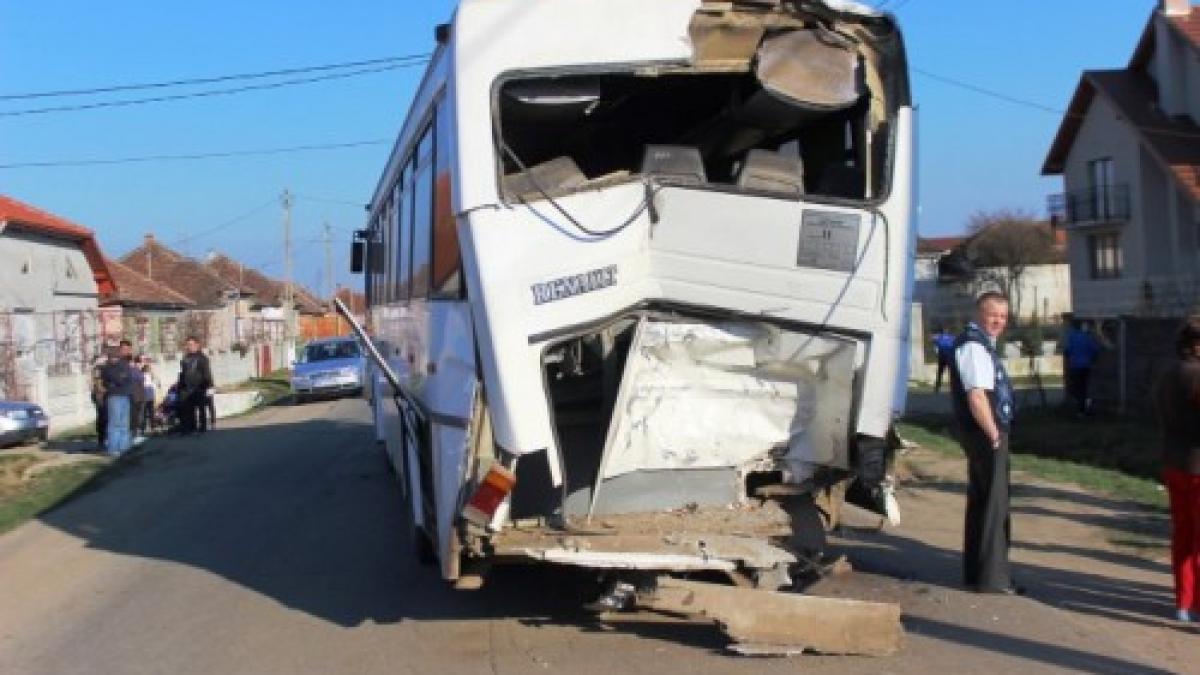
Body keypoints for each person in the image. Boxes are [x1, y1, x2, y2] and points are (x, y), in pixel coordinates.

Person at [948, 292, 1021, 594]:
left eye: (1003, 317)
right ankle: (992, 578)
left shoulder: (980, 345)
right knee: (993, 504)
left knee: (984, 502)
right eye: (993, 316)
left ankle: (980, 573)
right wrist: (993, 432)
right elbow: (976, 396)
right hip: (985, 433)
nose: (998, 322)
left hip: (983, 432)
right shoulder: (974, 347)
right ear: (980, 313)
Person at [1154, 317, 1200, 623]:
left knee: (1183, 535)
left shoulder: (1168, 374)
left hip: (1174, 462)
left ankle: (1183, 602)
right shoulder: (1198, 375)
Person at [101, 345, 138, 455]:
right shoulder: (107, 368)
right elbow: (116, 379)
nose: (114, 358)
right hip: (114, 396)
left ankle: (124, 447)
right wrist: (120, 379)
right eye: (111, 356)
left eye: (116, 356)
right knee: (115, 423)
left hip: (125, 395)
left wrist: (120, 379)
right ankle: (113, 448)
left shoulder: (124, 365)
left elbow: (128, 378)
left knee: (124, 423)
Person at [1063, 320, 1102, 417]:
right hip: (1086, 366)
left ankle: (1081, 408)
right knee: (1084, 387)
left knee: (1076, 387)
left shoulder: (1072, 336)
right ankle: (1085, 407)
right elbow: (1095, 350)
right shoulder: (1088, 337)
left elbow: (1067, 351)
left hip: (1075, 366)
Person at [177, 336, 213, 434]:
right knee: (188, 409)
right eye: (188, 345)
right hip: (187, 388)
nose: (190, 346)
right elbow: (183, 373)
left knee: (201, 408)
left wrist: (209, 386)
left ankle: (202, 428)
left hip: (199, 387)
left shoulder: (202, 358)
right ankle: (191, 427)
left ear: (197, 345)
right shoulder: (185, 359)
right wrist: (180, 385)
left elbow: (207, 373)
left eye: (192, 344)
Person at [90, 351, 111, 450]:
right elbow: (97, 383)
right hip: (100, 396)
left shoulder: (105, 367)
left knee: (107, 417)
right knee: (103, 417)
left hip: (105, 395)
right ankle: (102, 440)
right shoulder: (98, 368)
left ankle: (105, 438)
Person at [932, 326, 957, 393]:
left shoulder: (940, 337)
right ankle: (951, 387)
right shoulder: (951, 338)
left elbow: (934, 339)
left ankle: (937, 387)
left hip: (943, 357)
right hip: (947, 357)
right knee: (947, 373)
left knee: (941, 373)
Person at [139, 360, 158, 435]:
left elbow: (155, 384)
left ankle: (150, 427)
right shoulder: (143, 375)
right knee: (146, 412)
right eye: (149, 368)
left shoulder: (150, 375)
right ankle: (145, 427)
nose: (150, 369)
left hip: (149, 393)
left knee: (149, 412)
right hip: (146, 393)